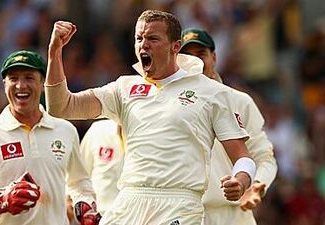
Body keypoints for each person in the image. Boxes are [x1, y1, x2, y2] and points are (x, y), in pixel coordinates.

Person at [45, 10, 256, 225]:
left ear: (176, 46)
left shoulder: (212, 92)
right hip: (128, 201)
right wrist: (55, 53)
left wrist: (240, 181)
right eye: (139, 38)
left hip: (178, 205)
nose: (143, 45)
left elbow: (243, 157)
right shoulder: (124, 88)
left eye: (153, 39)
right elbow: (61, 107)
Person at [0, 50, 101, 225]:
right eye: (13, 79)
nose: (21, 86)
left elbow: (79, 182)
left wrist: (85, 205)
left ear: (43, 83)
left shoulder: (65, 130)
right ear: (4, 84)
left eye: (29, 78)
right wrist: (0, 199)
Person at [180, 28, 278, 225]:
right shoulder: (168, 104)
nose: (196, 62)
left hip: (232, 215)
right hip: (184, 214)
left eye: (201, 55)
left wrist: (256, 184)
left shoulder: (239, 101)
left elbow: (264, 156)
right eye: (187, 56)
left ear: (214, 57)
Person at [79, 119, 125, 215]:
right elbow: (79, 175)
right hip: (98, 216)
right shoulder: (98, 130)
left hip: (133, 217)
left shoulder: (150, 136)